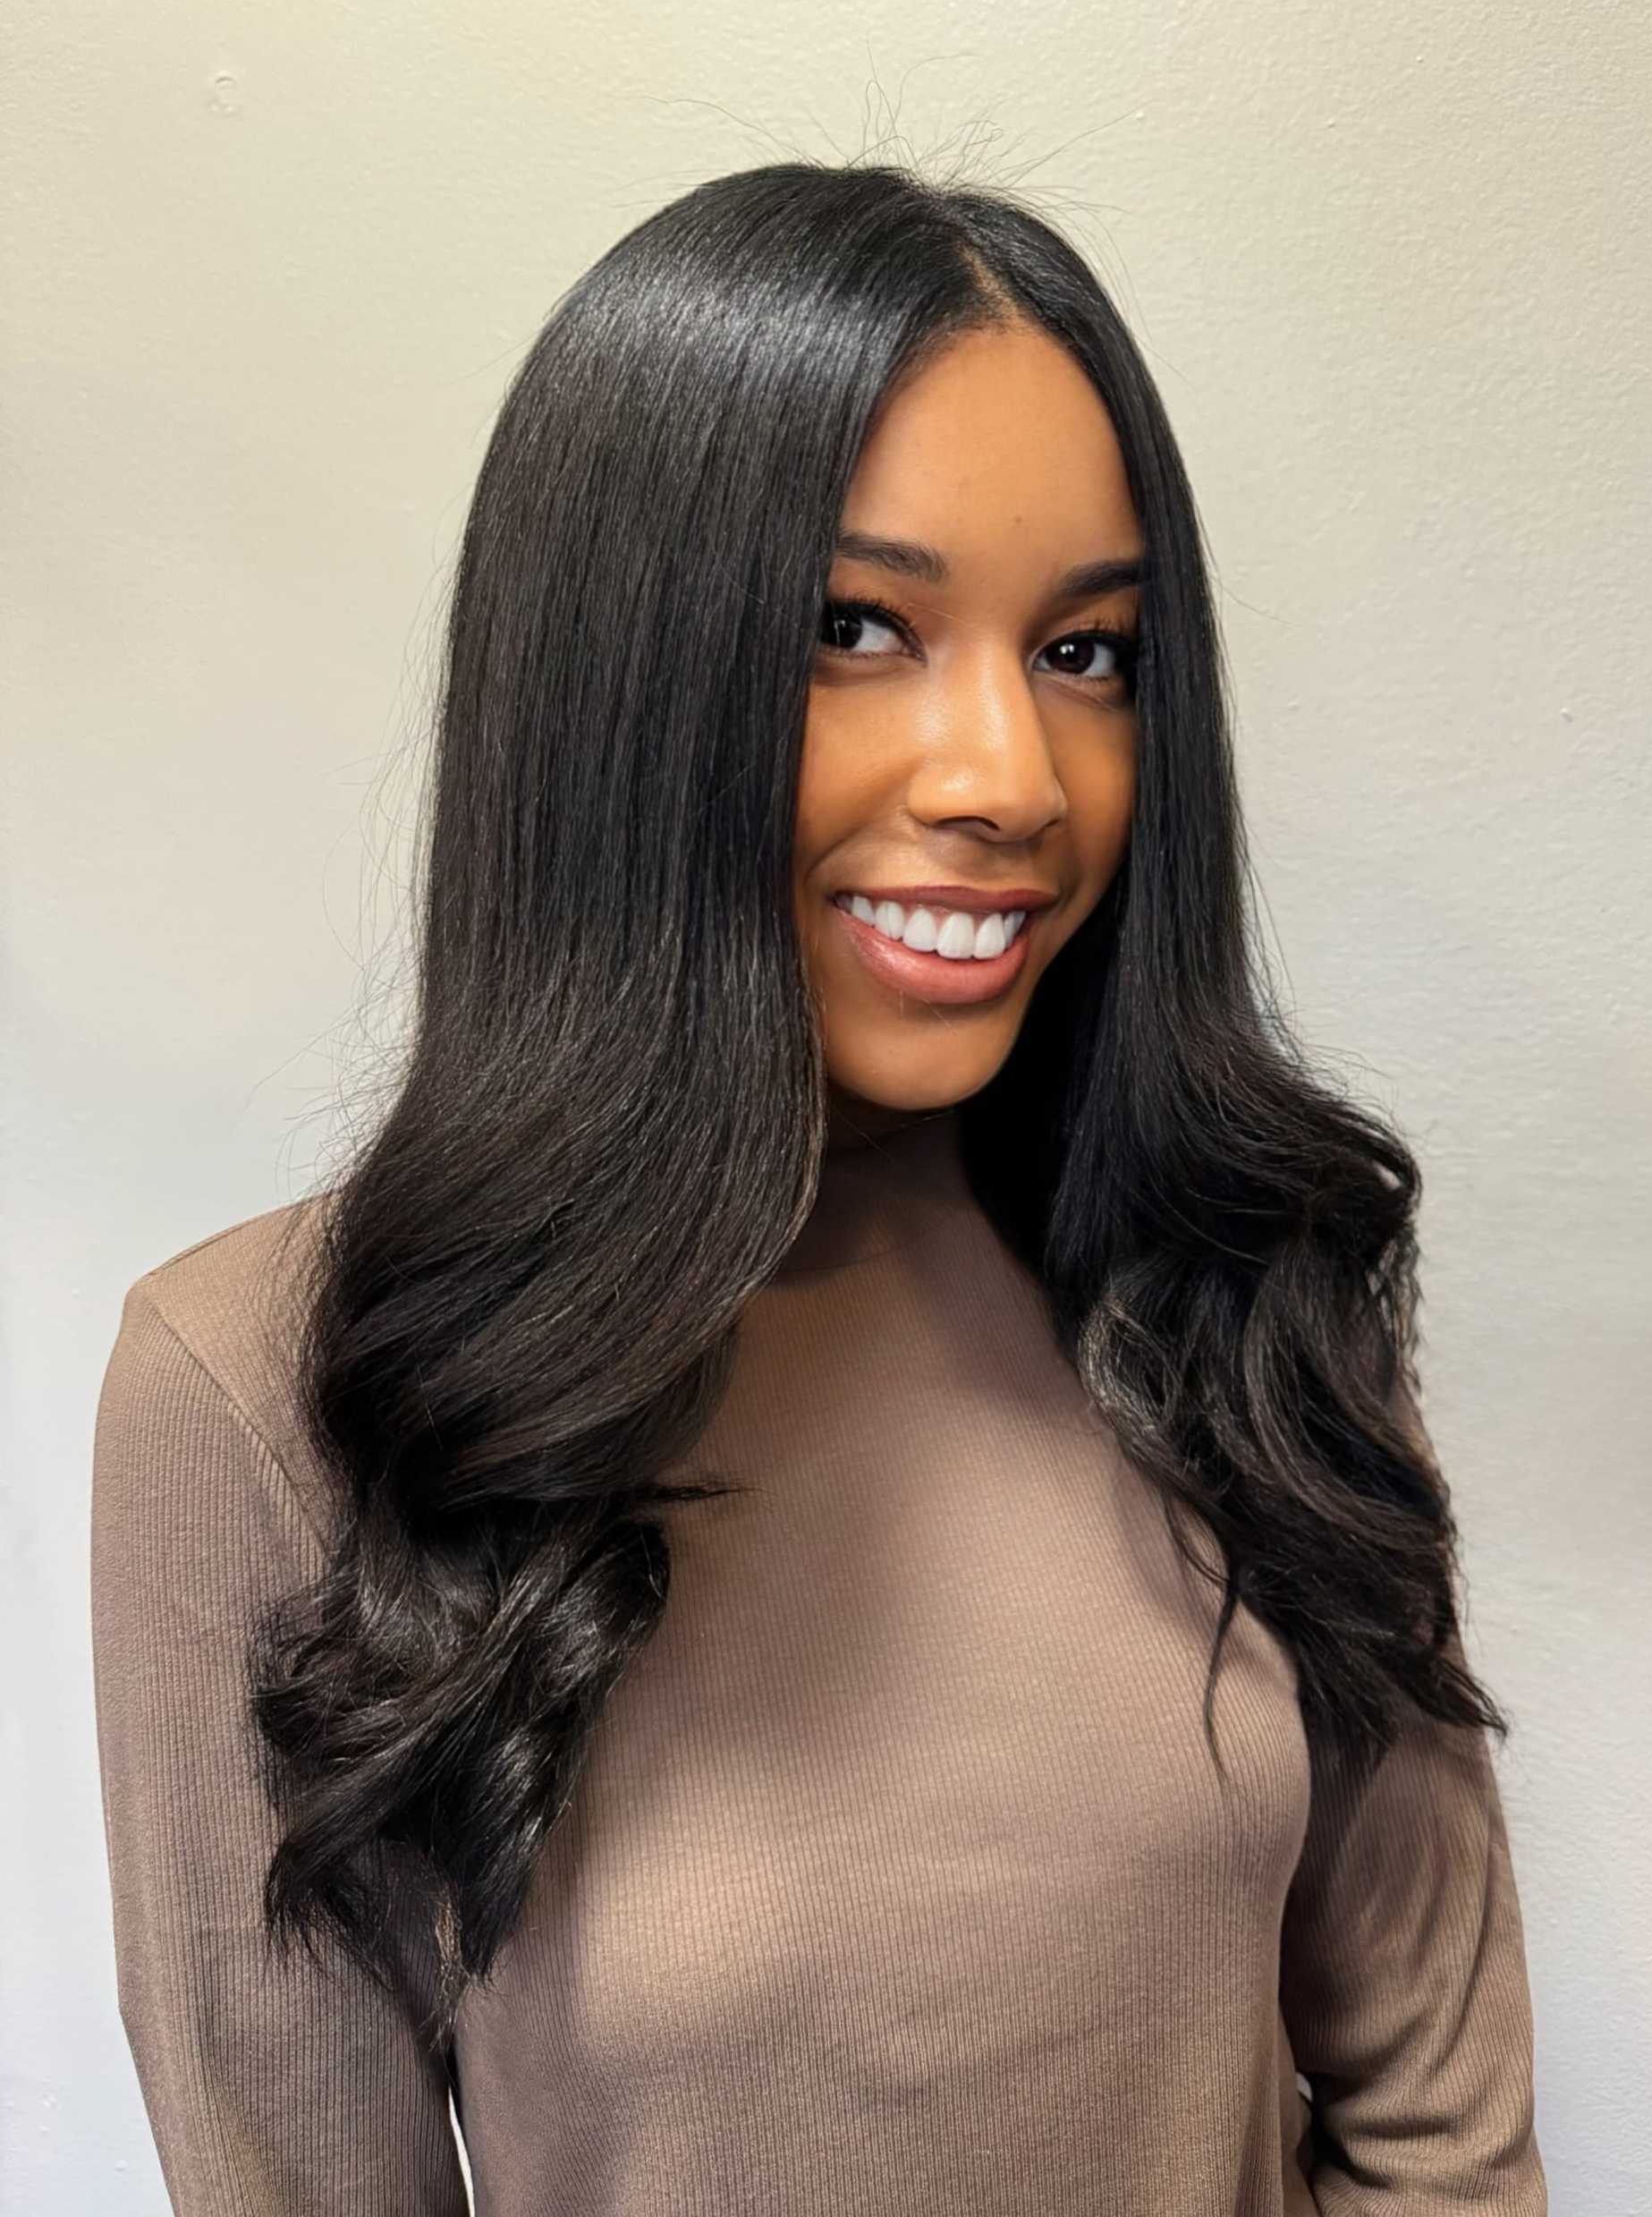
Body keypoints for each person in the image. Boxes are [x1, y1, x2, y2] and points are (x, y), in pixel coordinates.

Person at [90, 159, 1547, 2214]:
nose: (1012, 778)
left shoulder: (1239, 1290)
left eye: (1089, 652)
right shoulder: (269, 1393)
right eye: (858, 627)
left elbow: (1443, 2133)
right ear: (615, 683)